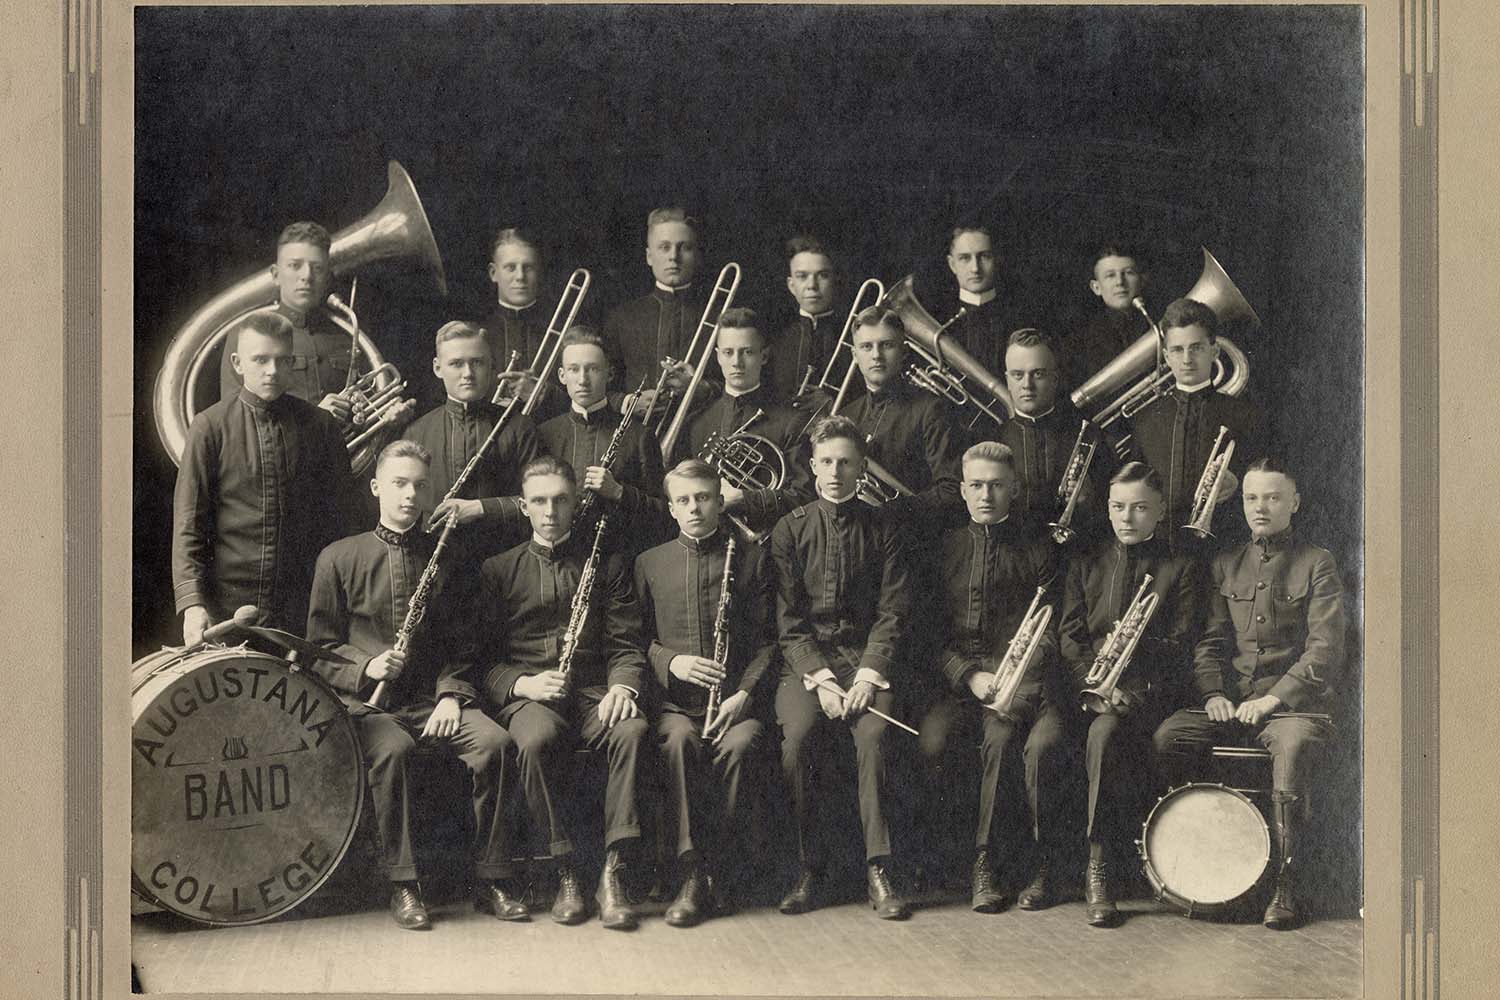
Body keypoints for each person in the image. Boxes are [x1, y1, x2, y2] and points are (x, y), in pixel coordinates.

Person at [305, 439, 522, 930]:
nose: (409, 495)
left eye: (420, 486)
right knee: (393, 752)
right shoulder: (338, 557)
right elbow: (318, 650)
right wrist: (366, 668)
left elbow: (463, 645)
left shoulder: (449, 559)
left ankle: (494, 878)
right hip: (368, 705)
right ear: (378, 486)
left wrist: (450, 694)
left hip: (432, 699)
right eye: (399, 484)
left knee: (495, 744)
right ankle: (403, 884)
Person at [1152, 457, 1345, 929]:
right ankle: (1203, 864)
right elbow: (1212, 641)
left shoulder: (1317, 563)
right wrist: (1214, 692)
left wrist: (1274, 699)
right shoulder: (1225, 563)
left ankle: (1285, 883)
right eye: (1252, 498)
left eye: (1274, 497)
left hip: (1293, 709)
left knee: (1293, 748)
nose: (1262, 507)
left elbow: (1324, 650)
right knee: (1169, 736)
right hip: (1235, 701)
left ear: (1294, 503)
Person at [477, 456, 651, 930]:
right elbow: (482, 659)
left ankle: (613, 872)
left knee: (632, 729)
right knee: (534, 741)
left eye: (560, 500)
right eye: (539, 501)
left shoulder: (608, 564)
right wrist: (522, 683)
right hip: (531, 694)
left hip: (594, 690)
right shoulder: (497, 570)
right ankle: (566, 869)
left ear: (576, 504)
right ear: (524, 506)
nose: (550, 510)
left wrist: (622, 685)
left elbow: (626, 643)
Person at [770, 416, 912, 921]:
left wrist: (868, 676)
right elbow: (787, 621)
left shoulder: (886, 527)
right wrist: (823, 680)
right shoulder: (789, 529)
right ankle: (809, 869)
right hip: (806, 667)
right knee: (800, 739)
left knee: (873, 736)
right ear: (812, 467)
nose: (835, 472)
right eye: (826, 462)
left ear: (862, 468)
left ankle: (879, 868)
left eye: (846, 462)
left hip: (868, 663)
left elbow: (893, 612)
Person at [916, 443, 1062, 913]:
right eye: (977, 485)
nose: (986, 495)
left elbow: (1050, 630)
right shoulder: (943, 549)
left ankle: (987, 865)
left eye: (997, 485)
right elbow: (927, 634)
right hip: (960, 685)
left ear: (1013, 489)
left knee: (999, 741)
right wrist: (968, 676)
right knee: (933, 742)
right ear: (961, 490)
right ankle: (944, 861)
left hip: (1018, 683)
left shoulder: (1039, 550)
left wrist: (1010, 676)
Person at [1056, 462, 1204, 927]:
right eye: (1119, 507)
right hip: (1087, 690)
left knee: (1104, 734)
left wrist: (1130, 691)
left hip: (1146, 698)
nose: (1128, 518)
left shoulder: (1179, 568)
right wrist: (1094, 678)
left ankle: (1097, 867)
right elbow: (1069, 635)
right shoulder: (1087, 561)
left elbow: (1180, 646)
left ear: (1160, 512)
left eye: (1140, 508)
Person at [634, 459, 778, 926]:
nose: (694, 508)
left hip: (736, 703)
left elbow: (770, 641)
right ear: (672, 509)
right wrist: (670, 662)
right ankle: (693, 872)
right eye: (683, 500)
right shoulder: (649, 562)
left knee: (739, 748)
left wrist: (745, 695)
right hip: (676, 704)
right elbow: (632, 639)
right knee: (677, 742)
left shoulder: (753, 558)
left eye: (703, 498)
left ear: (719, 500)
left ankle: (724, 869)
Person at [172, 311, 364, 644]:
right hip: (226, 611)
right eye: (260, 360)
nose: (272, 371)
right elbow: (189, 524)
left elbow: (342, 523)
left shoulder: (322, 427)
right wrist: (192, 605)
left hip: (304, 610)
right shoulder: (209, 427)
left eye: (282, 360)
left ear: (291, 362)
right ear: (237, 362)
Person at [1126, 296, 1263, 546]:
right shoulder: (1146, 419)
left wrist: (1240, 481)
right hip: (1160, 552)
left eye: (1196, 348)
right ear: (1166, 357)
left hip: (1225, 549)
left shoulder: (1244, 415)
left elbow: (1268, 481)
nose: (1187, 359)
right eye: (1177, 350)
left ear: (1215, 351)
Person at [401, 320, 541, 561]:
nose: (468, 374)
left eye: (477, 362)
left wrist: (479, 508)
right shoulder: (416, 433)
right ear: (437, 368)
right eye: (456, 364)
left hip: (506, 564)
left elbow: (539, 502)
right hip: (435, 565)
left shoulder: (520, 427)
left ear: (491, 366)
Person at [665, 308, 813, 533]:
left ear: (764, 356)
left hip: (766, 546)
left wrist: (747, 498)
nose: (737, 362)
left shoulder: (791, 420)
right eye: (728, 352)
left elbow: (803, 496)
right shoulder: (696, 422)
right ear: (717, 356)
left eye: (747, 352)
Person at [536, 325, 672, 556]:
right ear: (562, 376)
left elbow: (664, 514)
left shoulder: (640, 435)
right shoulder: (544, 433)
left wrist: (619, 492)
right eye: (573, 369)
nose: (583, 380)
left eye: (593, 369)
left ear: (609, 373)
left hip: (620, 559)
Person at [217, 222, 358, 421]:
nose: (306, 276)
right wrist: (313, 418)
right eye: (295, 266)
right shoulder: (248, 333)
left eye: (317, 268)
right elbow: (235, 418)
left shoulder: (347, 334)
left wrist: (383, 417)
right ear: (276, 275)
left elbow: (360, 408)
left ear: (327, 277)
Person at [996, 328, 1114, 542]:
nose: (1027, 385)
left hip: (1076, 561)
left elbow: (1113, 516)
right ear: (1007, 379)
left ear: (1055, 379)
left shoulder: (1089, 436)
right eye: (1017, 375)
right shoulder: (994, 438)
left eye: (1038, 374)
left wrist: (1089, 499)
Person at [602, 206, 709, 399]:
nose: (673, 257)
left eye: (684, 247)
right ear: (649, 257)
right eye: (664, 247)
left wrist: (701, 388)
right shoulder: (622, 317)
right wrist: (626, 402)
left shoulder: (718, 315)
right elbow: (602, 385)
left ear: (697, 256)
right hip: (633, 426)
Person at [483, 227, 569, 424]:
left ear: (538, 272)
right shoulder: (477, 332)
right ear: (493, 273)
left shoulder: (564, 331)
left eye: (528, 267)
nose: (520, 276)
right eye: (510, 267)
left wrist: (542, 394)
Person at [767, 234, 846, 399]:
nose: (812, 285)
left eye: (822, 275)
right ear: (791, 285)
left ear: (835, 280)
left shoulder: (854, 336)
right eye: (802, 276)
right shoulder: (774, 338)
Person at [941, 223, 1026, 376]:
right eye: (965, 258)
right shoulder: (938, 321)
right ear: (952, 264)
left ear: (997, 259)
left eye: (984, 256)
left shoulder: (1020, 318)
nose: (975, 268)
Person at [1065, 245, 1152, 391]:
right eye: (1110, 275)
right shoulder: (1079, 340)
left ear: (1143, 280)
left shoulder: (1159, 324)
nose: (1120, 282)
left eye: (1128, 273)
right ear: (1096, 288)